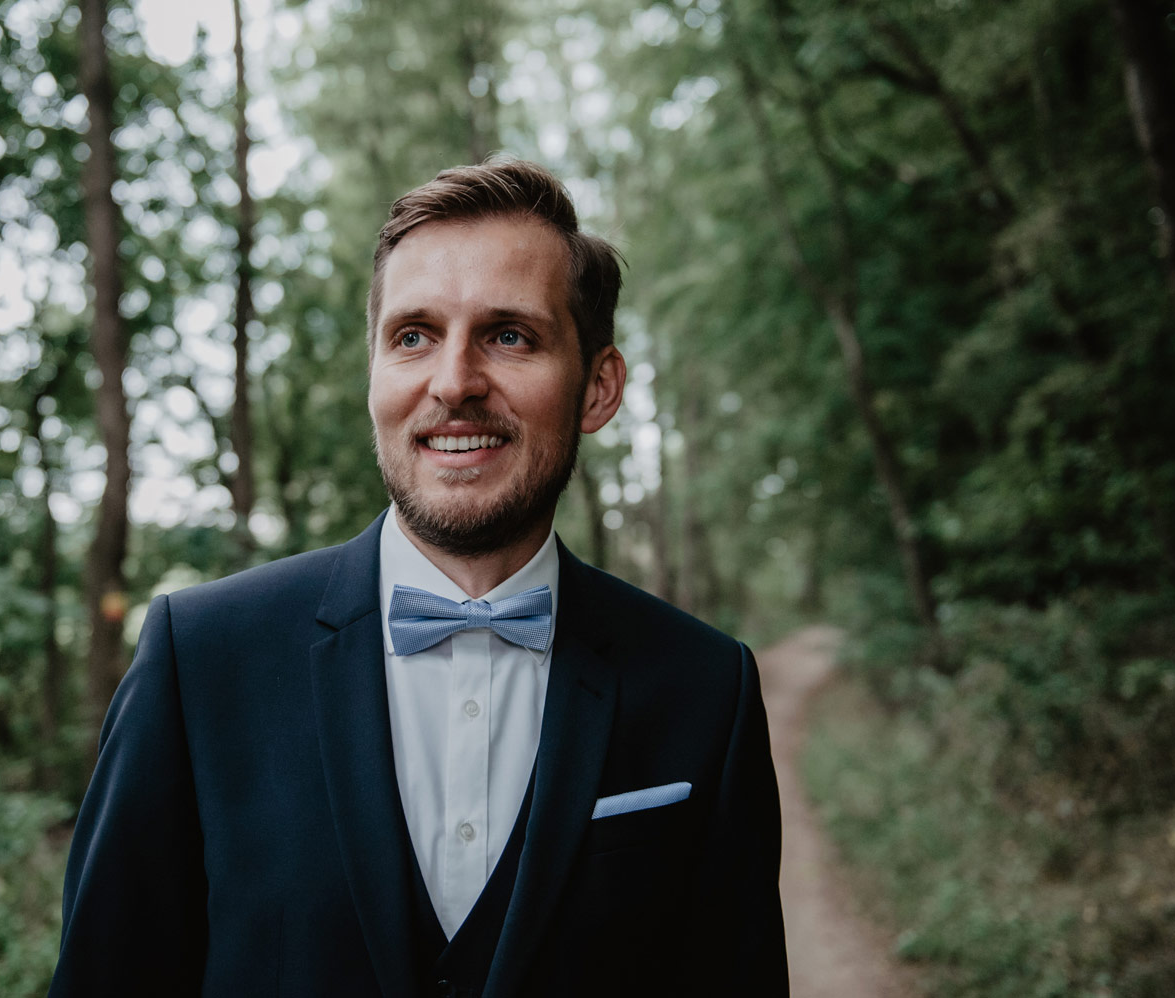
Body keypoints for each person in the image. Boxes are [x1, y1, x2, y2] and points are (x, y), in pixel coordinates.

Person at [48, 158, 788, 997]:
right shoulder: (201, 659)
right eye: (413, 336)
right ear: (374, 373)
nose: (453, 383)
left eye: (510, 335)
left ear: (598, 387)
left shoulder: (705, 686)